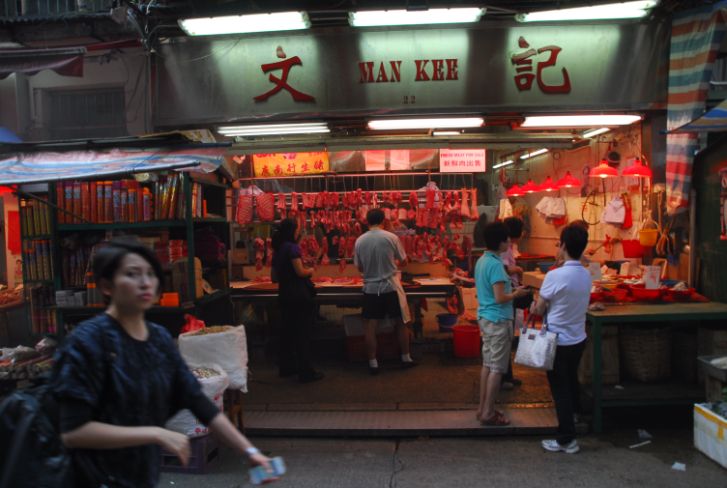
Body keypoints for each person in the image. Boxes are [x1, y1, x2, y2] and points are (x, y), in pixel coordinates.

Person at [52, 240, 273, 488]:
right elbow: (73, 432)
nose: (145, 282)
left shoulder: (157, 339)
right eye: (132, 274)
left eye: (150, 273)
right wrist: (155, 433)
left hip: (141, 477)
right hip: (92, 477)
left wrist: (249, 451)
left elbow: (196, 400)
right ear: (106, 285)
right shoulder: (87, 342)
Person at [530, 224, 591, 454]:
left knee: (560, 389)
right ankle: (575, 417)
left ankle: (567, 439)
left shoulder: (554, 275)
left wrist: (534, 303)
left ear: (563, 245)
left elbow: (539, 308)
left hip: (557, 341)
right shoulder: (586, 274)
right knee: (571, 380)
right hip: (578, 339)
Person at [475, 223, 529, 426]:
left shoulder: (482, 261)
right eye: (507, 239)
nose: (509, 242)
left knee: (488, 365)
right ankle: (488, 413)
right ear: (501, 242)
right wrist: (517, 293)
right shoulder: (496, 264)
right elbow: (500, 297)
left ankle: (483, 408)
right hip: (498, 319)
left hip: (486, 319)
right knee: (497, 368)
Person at [353, 208, 418, 375]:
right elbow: (404, 263)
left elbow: (359, 267)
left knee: (371, 325)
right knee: (401, 323)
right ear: (383, 221)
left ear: (366, 221)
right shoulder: (391, 237)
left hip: (371, 289)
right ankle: (405, 359)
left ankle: (373, 364)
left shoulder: (360, 241)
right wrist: (392, 261)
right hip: (390, 287)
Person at [271, 218, 324, 384]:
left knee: (286, 334)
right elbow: (300, 272)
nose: (299, 232)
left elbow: (273, 278)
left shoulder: (278, 249)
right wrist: (310, 272)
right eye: (297, 229)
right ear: (293, 231)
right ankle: (306, 373)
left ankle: (287, 369)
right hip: (298, 296)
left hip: (284, 295)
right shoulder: (293, 247)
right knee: (302, 334)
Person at [501, 216, 525, 390]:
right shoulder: (504, 247)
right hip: (508, 293)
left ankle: (508, 375)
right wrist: (518, 270)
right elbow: (503, 269)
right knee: (505, 338)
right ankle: (503, 378)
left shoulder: (509, 246)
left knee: (509, 337)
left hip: (512, 291)